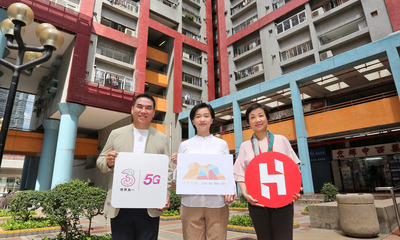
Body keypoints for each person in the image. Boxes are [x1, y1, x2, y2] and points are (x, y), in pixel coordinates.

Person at [97, 93, 173, 240]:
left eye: (148, 108)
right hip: (121, 204)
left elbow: (167, 169)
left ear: (153, 113)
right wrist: (108, 162)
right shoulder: (116, 134)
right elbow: (100, 161)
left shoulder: (161, 138)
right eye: (139, 106)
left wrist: (166, 192)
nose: (143, 111)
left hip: (149, 205)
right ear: (132, 109)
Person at [233, 103, 301, 240]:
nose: (257, 120)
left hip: (282, 201)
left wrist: (296, 188)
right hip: (257, 202)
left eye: (260, 116)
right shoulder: (245, 146)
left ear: (267, 119)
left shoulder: (281, 140)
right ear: (248, 123)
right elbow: (240, 174)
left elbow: (293, 167)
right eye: (252, 117)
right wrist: (246, 195)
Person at [171, 103, 235, 240]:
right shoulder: (185, 145)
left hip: (217, 203)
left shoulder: (221, 144)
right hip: (191, 202)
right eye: (198, 116)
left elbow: (227, 172)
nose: (202, 119)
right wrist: (178, 165)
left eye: (206, 116)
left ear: (212, 120)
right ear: (193, 121)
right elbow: (178, 177)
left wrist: (230, 190)